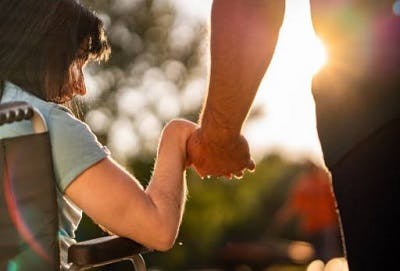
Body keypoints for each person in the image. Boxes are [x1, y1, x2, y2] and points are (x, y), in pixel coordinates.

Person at [187, 0, 400, 270]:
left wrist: (220, 136)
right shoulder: (307, 184)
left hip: (376, 112)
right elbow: (292, 206)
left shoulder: (316, 181)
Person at [0, 0, 197, 270]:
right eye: (77, 61)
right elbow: (158, 229)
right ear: (45, 52)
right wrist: (176, 136)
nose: (81, 87)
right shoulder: (41, 123)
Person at [273, 162, 342, 262]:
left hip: (325, 226)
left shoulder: (321, 182)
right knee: (320, 256)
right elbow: (293, 205)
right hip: (314, 226)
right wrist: (281, 219)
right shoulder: (315, 183)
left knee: (326, 256)